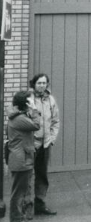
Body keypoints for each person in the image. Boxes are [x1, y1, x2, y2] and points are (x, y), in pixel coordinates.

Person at [27, 73, 60, 216]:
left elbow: (55, 121)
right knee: (27, 177)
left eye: (44, 83)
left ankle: (40, 205)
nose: (42, 85)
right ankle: (27, 209)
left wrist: (51, 139)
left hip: (45, 145)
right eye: (39, 83)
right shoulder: (28, 99)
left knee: (42, 176)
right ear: (33, 84)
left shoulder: (50, 100)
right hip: (31, 144)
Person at [6, 91, 40, 222]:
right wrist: (34, 109)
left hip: (22, 158)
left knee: (23, 191)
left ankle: (22, 216)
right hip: (21, 160)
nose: (33, 102)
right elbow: (36, 125)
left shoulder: (18, 115)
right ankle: (16, 218)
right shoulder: (19, 119)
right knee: (18, 194)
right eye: (30, 101)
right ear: (25, 103)